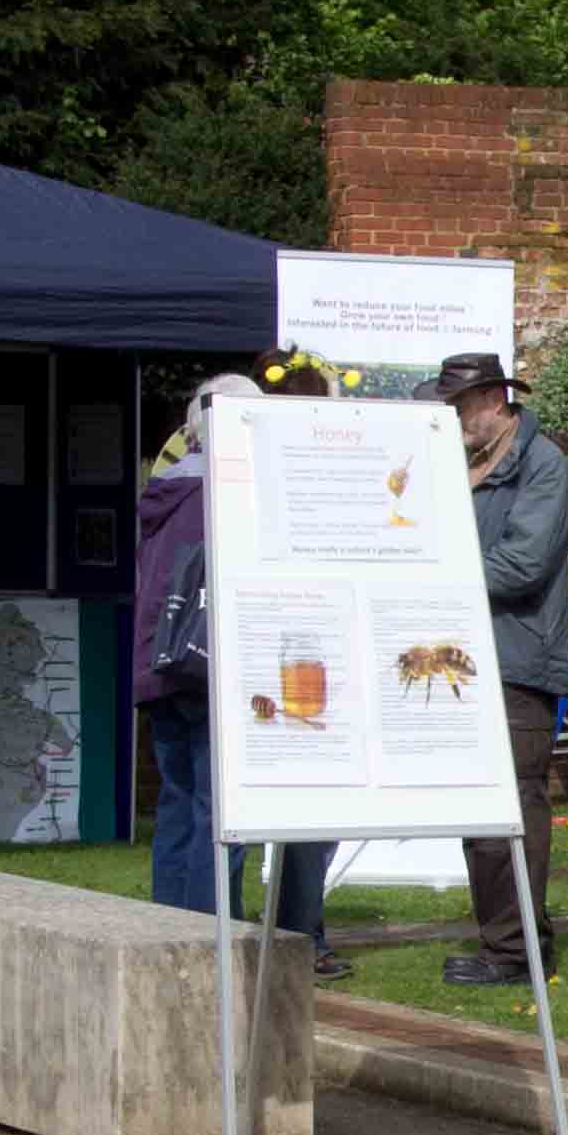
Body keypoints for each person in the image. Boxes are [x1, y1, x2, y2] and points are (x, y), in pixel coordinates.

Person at [132, 364, 348, 979]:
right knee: (215, 815)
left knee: (178, 808)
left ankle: (163, 936)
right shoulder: (231, 491)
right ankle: (208, 947)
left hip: (162, 666)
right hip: (213, 671)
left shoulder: (166, 489)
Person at [440, 351, 568, 989]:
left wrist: (434, 569)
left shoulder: (542, 465)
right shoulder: (466, 464)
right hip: (468, 657)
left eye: (461, 406)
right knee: (480, 810)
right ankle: (511, 942)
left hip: (517, 662)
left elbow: (523, 566)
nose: (454, 417)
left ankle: (518, 951)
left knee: (511, 808)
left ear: (495, 400)